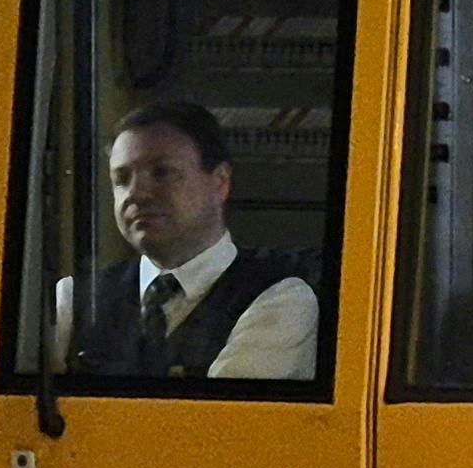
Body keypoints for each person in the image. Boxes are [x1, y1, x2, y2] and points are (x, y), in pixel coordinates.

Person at [58, 97, 320, 383]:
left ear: (220, 182)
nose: (137, 193)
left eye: (162, 173)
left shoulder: (282, 300)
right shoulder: (75, 299)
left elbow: (217, 422)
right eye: (121, 179)